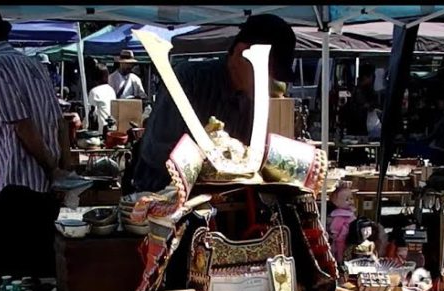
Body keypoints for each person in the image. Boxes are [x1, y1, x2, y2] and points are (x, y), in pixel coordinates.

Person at [133, 13, 297, 193]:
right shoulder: (188, 79)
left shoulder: (249, 100)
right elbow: (157, 150)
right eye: (269, 71)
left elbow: (247, 160)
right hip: (160, 194)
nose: (270, 81)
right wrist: (208, 162)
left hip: (220, 202)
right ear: (242, 53)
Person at [0, 6, 64, 278]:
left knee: (1, 278)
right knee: (38, 277)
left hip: (19, 187)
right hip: (39, 189)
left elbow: (21, 124)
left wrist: (52, 167)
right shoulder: (32, 63)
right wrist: (59, 166)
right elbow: (59, 120)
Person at [88, 62, 116, 132]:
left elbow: (92, 114)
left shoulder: (94, 92)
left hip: (100, 130)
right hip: (111, 128)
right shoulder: (111, 90)